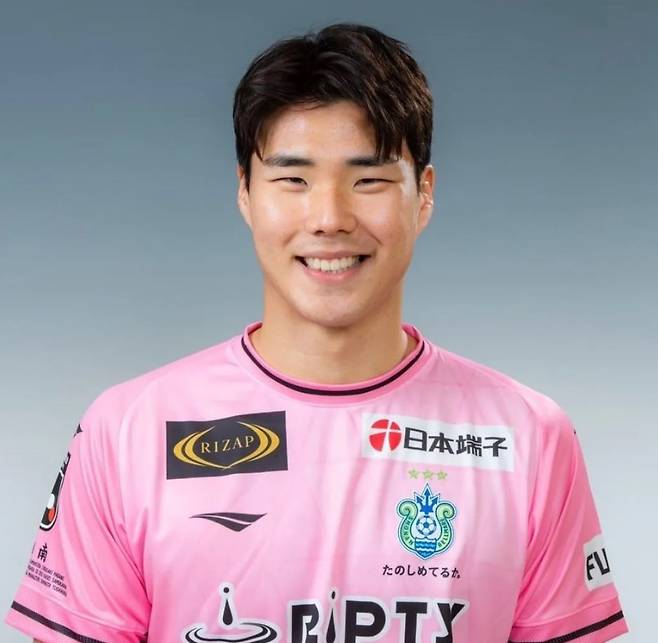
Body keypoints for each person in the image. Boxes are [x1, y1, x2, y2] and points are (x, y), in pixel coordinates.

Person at [6, 22, 628, 643]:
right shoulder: (128, 431)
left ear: (424, 195)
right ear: (246, 194)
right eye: (293, 180)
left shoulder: (528, 436)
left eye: (369, 180)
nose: (329, 218)